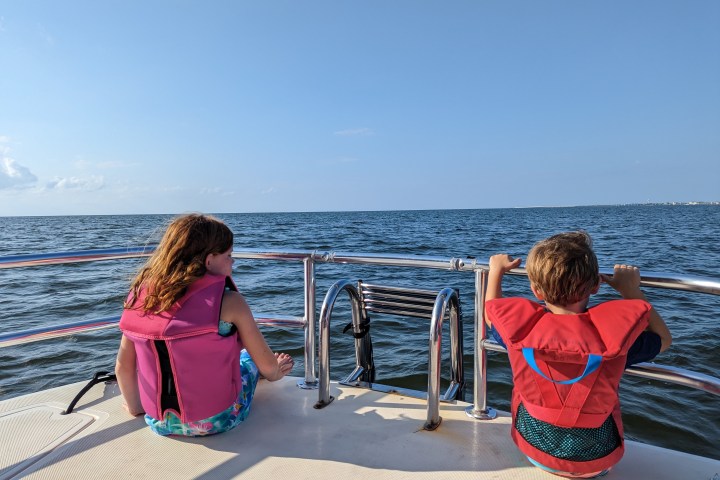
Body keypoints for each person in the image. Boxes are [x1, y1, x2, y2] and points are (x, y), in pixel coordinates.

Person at [484, 231, 671, 478]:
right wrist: (630, 290)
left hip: (534, 450)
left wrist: (495, 271)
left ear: (536, 290)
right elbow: (664, 339)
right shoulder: (619, 341)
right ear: (595, 286)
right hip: (598, 461)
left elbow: (490, 317)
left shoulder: (519, 336)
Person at [115, 213, 294, 436]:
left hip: (158, 421)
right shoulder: (230, 303)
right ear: (209, 261)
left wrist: (135, 408)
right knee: (249, 359)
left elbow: (123, 368)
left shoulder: (141, 298)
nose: (233, 261)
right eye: (229, 255)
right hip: (219, 418)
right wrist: (275, 373)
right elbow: (267, 365)